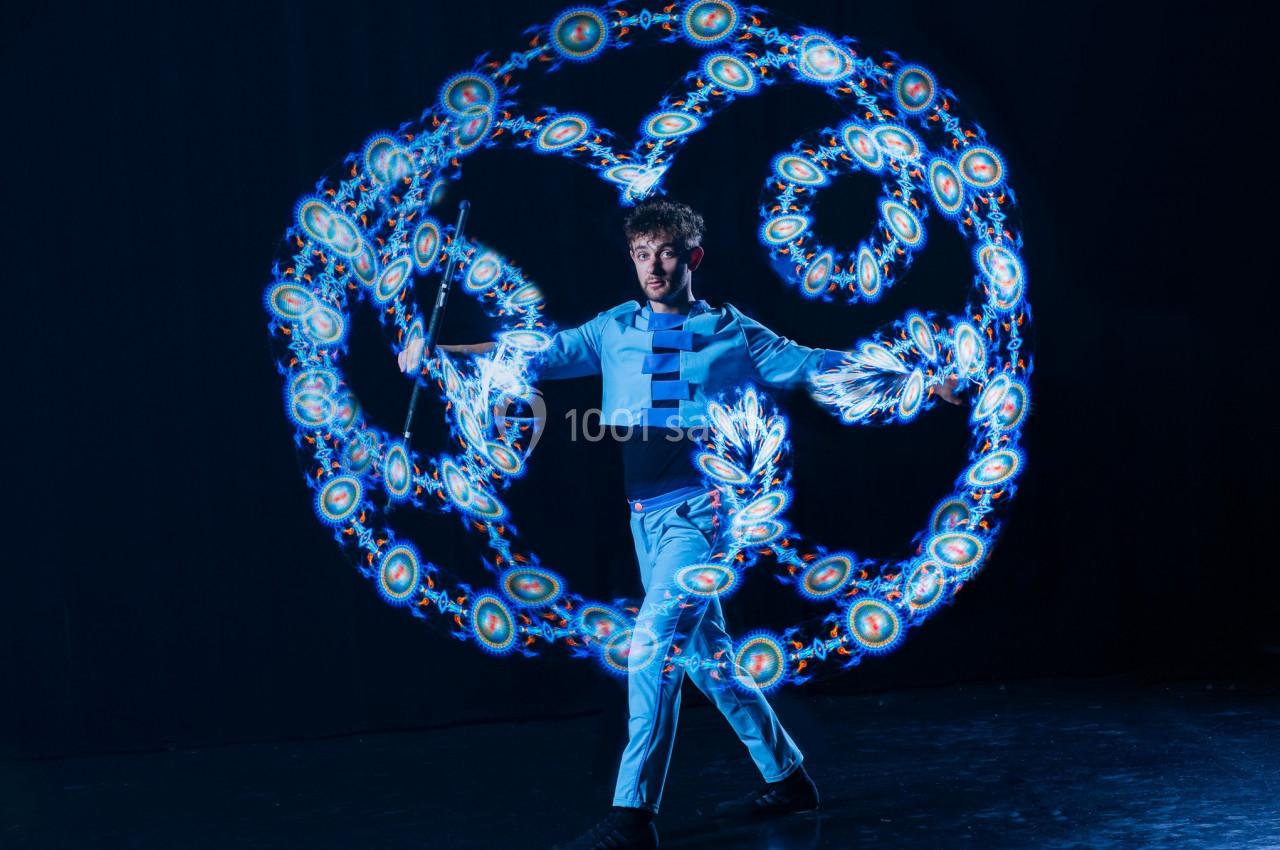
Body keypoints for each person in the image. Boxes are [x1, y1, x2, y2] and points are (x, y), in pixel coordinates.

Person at [399, 199, 960, 849]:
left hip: (704, 513)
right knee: (708, 661)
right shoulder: (613, 328)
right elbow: (529, 356)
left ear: (691, 257)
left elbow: (814, 364)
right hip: (647, 520)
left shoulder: (733, 332)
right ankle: (787, 775)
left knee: (654, 647)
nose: (653, 267)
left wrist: (912, 375)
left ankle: (633, 815)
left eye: (665, 252)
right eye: (641, 254)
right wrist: (439, 352)